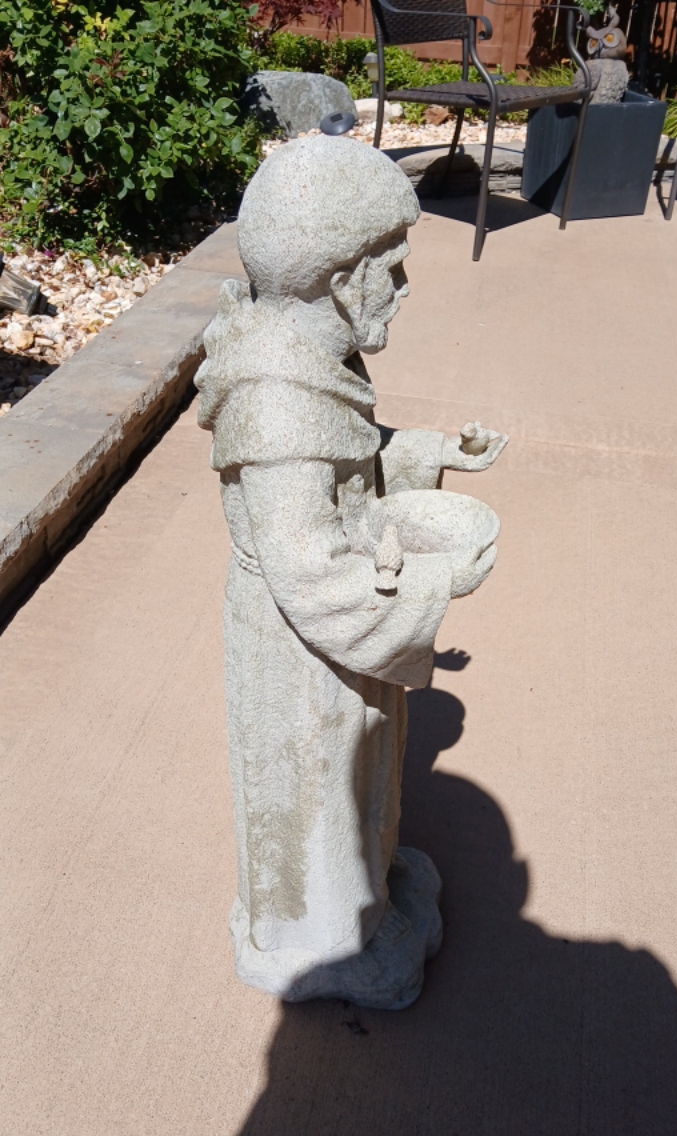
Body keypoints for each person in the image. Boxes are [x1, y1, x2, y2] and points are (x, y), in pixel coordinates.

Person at [195, 135, 507, 1007]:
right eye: (392, 268)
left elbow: (352, 462)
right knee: (316, 794)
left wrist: (428, 453)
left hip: (333, 636)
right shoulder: (277, 402)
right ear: (341, 278)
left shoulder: (312, 357)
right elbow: (309, 575)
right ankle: (322, 943)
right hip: (301, 655)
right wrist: (436, 583)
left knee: (357, 776)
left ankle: (368, 894)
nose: (404, 286)